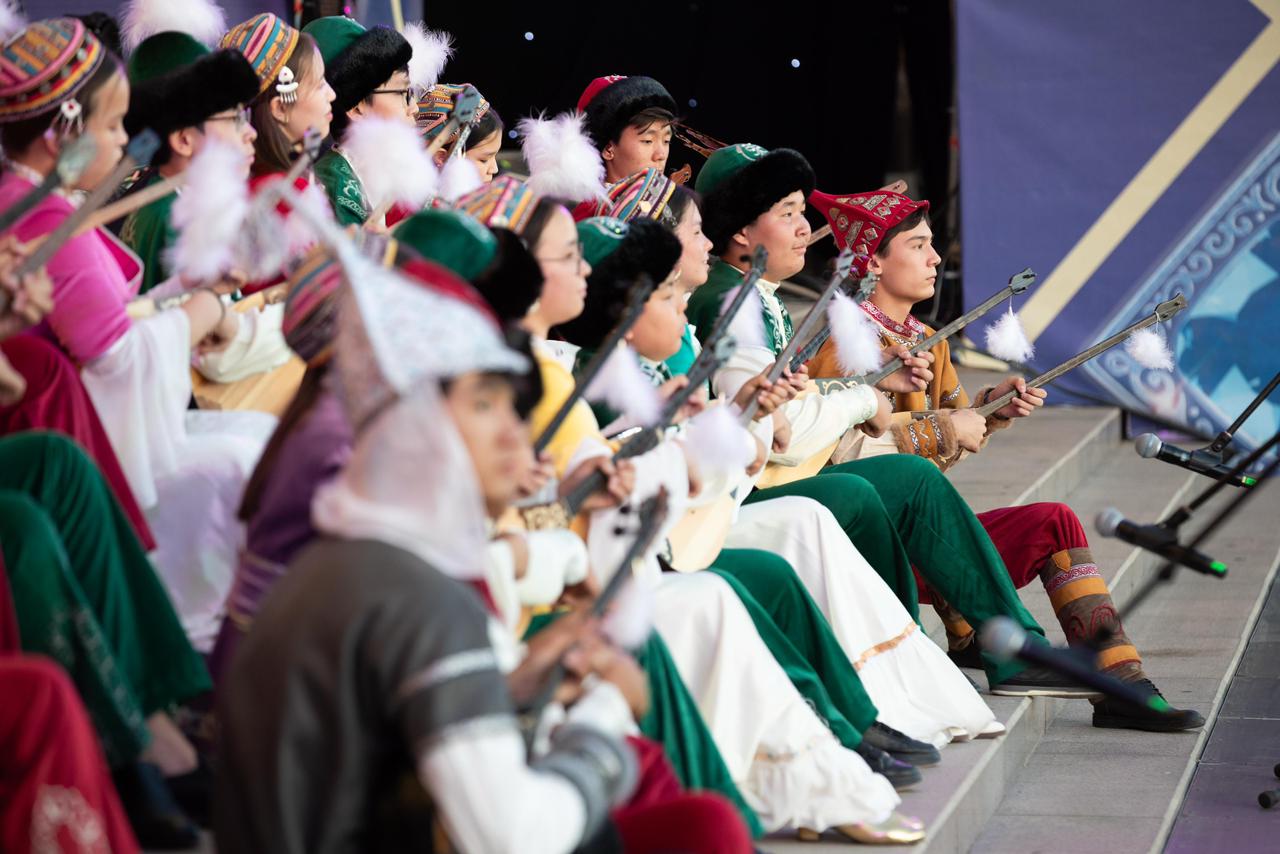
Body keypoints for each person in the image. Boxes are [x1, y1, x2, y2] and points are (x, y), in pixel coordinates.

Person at [804, 189, 1205, 731]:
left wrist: (988, 412)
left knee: (1054, 522)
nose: (935, 259)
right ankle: (982, 638)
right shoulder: (839, 341)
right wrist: (945, 427)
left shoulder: (928, 340)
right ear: (873, 262)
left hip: (923, 536)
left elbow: (932, 468)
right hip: (867, 547)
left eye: (932, 245)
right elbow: (831, 456)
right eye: (917, 246)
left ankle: (1121, 681)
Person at [0, 18, 273, 650]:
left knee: (254, 439)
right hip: (82, 437)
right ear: (63, 133)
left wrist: (184, 293)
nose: (126, 140)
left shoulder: (38, 201)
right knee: (244, 459)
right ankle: (205, 639)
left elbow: (115, 321)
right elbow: (115, 360)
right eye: (112, 126)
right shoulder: (39, 211)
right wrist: (203, 309)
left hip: (86, 419)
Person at [305, 14, 415, 226]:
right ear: (356, 108)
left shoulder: (378, 172)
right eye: (403, 93)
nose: (414, 107)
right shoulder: (333, 186)